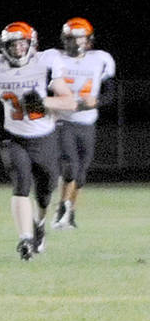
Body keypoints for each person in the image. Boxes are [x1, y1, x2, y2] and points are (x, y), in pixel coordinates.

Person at [0, 22, 75, 260]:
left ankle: (39, 224)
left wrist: (45, 102)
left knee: (45, 193)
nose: (18, 48)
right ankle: (25, 239)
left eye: (23, 43)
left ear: (32, 45)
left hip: (44, 137)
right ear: (4, 46)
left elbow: (69, 102)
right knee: (20, 185)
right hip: (14, 137)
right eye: (13, 44)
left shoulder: (45, 64)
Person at [39, 17, 115, 229]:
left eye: (80, 38)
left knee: (80, 174)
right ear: (65, 39)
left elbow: (110, 93)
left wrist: (97, 101)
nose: (76, 43)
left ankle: (70, 212)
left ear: (89, 40)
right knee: (70, 166)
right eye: (72, 38)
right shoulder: (53, 57)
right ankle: (61, 209)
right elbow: (37, 81)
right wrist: (47, 102)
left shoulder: (100, 59)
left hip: (87, 121)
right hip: (62, 120)